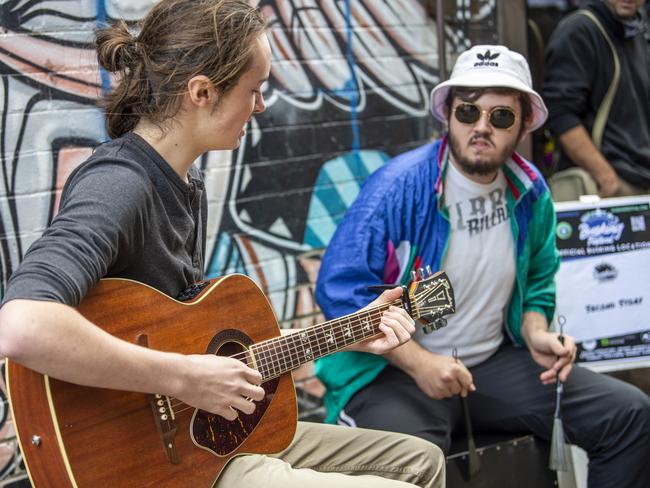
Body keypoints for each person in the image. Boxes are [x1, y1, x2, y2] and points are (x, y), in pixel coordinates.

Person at [0, 1, 445, 487]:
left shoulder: (182, 181)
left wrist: (348, 333)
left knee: (421, 461)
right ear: (201, 92)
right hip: (151, 464)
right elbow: (22, 325)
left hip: (208, 440)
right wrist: (184, 378)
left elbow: (192, 336)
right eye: (254, 90)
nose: (260, 105)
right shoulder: (120, 183)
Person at [315, 44, 650, 487]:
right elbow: (340, 292)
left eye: (501, 116)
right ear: (448, 115)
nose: (481, 127)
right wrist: (418, 363)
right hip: (394, 374)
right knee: (411, 465)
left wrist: (537, 332)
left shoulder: (530, 192)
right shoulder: (397, 188)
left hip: (488, 365)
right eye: (468, 112)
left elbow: (539, 282)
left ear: (525, 123)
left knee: (629, 414)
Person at [543, 0, 650, 200]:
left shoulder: (637, 32)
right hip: (604, 187)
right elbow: (560, 114)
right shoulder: (579, 30)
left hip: (639, 181)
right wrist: (605, 176)